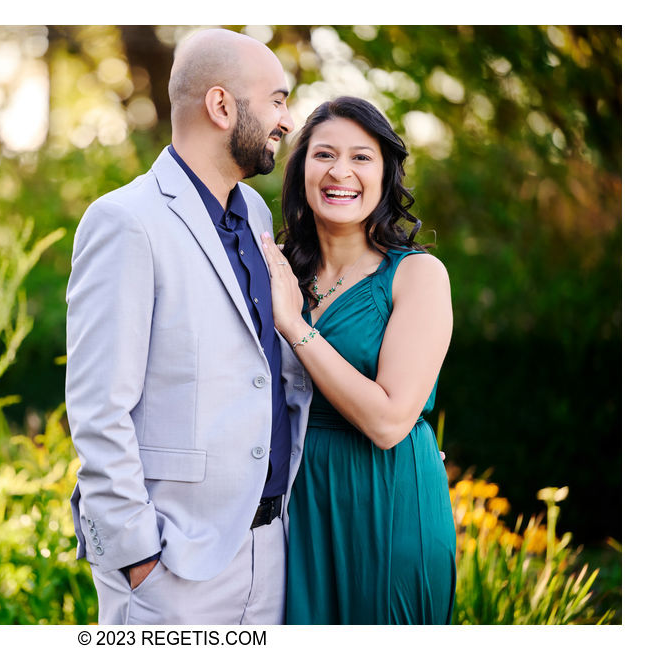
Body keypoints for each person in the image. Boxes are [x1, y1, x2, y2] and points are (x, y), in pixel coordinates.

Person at [65, 29, 312, 624]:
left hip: (270, 549)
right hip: (172, 569)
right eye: (276, 100)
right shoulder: (125, 221)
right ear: (222, 106)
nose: (286, 119)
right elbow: (99, 407)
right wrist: (137, 554)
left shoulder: (254, 211)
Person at [259, 96, 456, 624]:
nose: (339, 172)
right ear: (301, 170)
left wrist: (296, 326)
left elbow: (390, 421)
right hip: (298, 507)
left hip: (388, 500)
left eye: (361, 157)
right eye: (323, 155)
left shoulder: (418, 277)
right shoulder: (278, 272)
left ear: (386, 173)